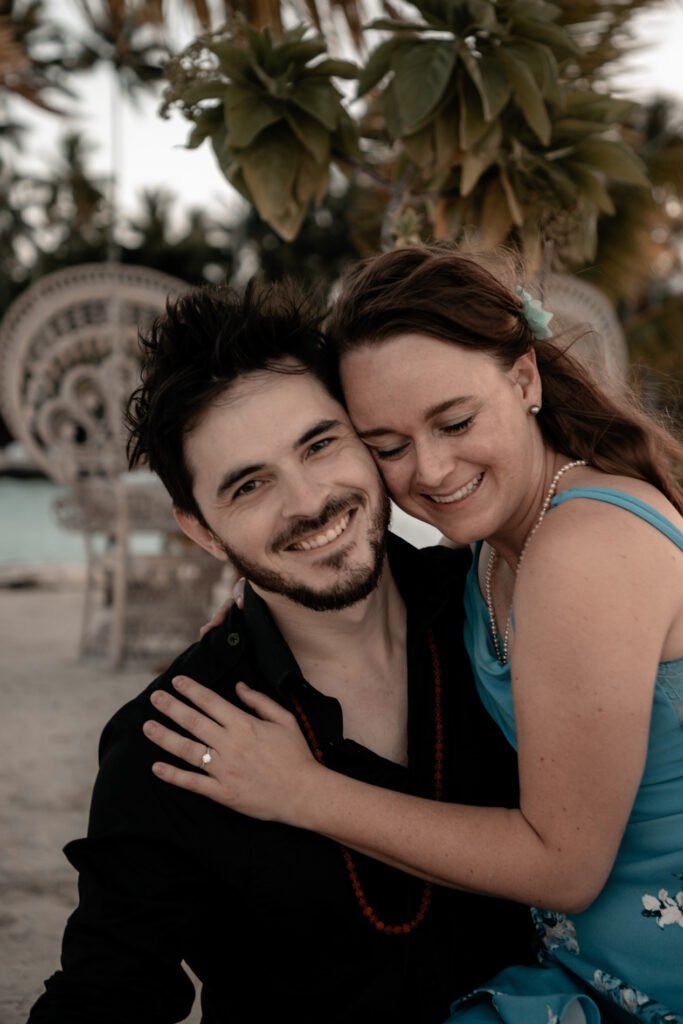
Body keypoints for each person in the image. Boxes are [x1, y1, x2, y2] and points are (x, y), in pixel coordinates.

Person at [144, 247, 683, 1024]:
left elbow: (563, 866)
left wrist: (303, 791)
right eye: (389, 446)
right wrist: (253, 628)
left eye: (456, 421)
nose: (431, 471)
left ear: (526, 380)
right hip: (596, 964)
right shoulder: (489, 552)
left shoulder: (579, 550)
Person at [27, 279, 538, 1024]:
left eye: (320, 444)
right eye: (249, 486)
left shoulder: (507, 611)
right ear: (200, 529)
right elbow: (108, 990)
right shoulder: (173, 741)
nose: (307, 503)